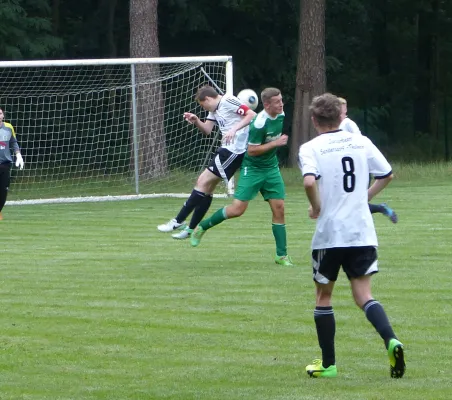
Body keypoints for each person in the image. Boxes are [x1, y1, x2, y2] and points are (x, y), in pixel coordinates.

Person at [299, 93, 405, 379]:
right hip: (362, 232)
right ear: (341, 116)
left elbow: (309, 180)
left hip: (331, 234)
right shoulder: (362, 141)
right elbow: (387, 174)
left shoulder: (310, 147)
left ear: (314, 120)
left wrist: (317, 206)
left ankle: (329, 365)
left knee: (323, 296)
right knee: (364, 295)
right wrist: (363, 198)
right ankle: (391, 340)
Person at [190, 87, 294, 267]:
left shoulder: (281, 113)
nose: (282, 104)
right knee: (237, 210)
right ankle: (202, 226)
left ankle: (281, 255)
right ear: (267, 105)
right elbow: (252, 151)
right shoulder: (260, 123)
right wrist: (276, 143)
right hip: (252, 169)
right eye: (278, 102)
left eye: (281, 100)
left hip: (271, 169)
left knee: (279, 209)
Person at [157, 85, 256, 239]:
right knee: (207, 189)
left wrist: (233, 130)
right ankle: (190, 229)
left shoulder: (228, 100)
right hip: (226, 150)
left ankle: (178, 220)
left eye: (203, 105)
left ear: (208, 99)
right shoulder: (213, 110)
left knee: (202, 181)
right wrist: (196, 120)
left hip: (234, 151)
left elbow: (251, 114)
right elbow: (207, 130)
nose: (203, 108)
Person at [338, 97, 398, 223]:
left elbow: (359, 143)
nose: (344, 111)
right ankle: (381, 208)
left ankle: (379, 210)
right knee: (352, 204)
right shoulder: (337, 126)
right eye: (342, 108)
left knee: (354, 204)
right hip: (347, 169)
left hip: (357, 169)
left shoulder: (348, 124)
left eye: (344, 108)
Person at [0, 108, 24, 220]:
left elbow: (13, 142)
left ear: (3, 115)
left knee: (3, 191)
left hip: (5, 164)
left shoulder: (8, 127)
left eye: (0, 113)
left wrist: (18, 155)